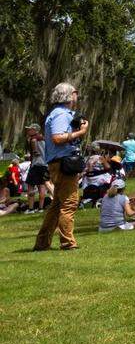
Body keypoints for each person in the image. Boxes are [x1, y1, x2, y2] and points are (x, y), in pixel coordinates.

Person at [33, 83, 88, 251]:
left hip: (59, 162)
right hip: (63, 162)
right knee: (70, 203)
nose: (77, 96)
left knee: (57, 205)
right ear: (70, 95)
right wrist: (81, 132)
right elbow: (57, 138)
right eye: (75, 93)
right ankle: (68, 242)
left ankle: (42, 242)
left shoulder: (59, 114)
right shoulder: (61, 114)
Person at [24, 124, 49, 212]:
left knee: (30, 186)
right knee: (42, 186)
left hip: (36, 165)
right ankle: (40, 208)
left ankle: (31, 208)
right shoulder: (43, 138)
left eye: (30, 129)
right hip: (44, 165)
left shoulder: (33, 138)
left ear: (35, 130)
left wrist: (35, 150)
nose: (28, 131)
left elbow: (33, 141)